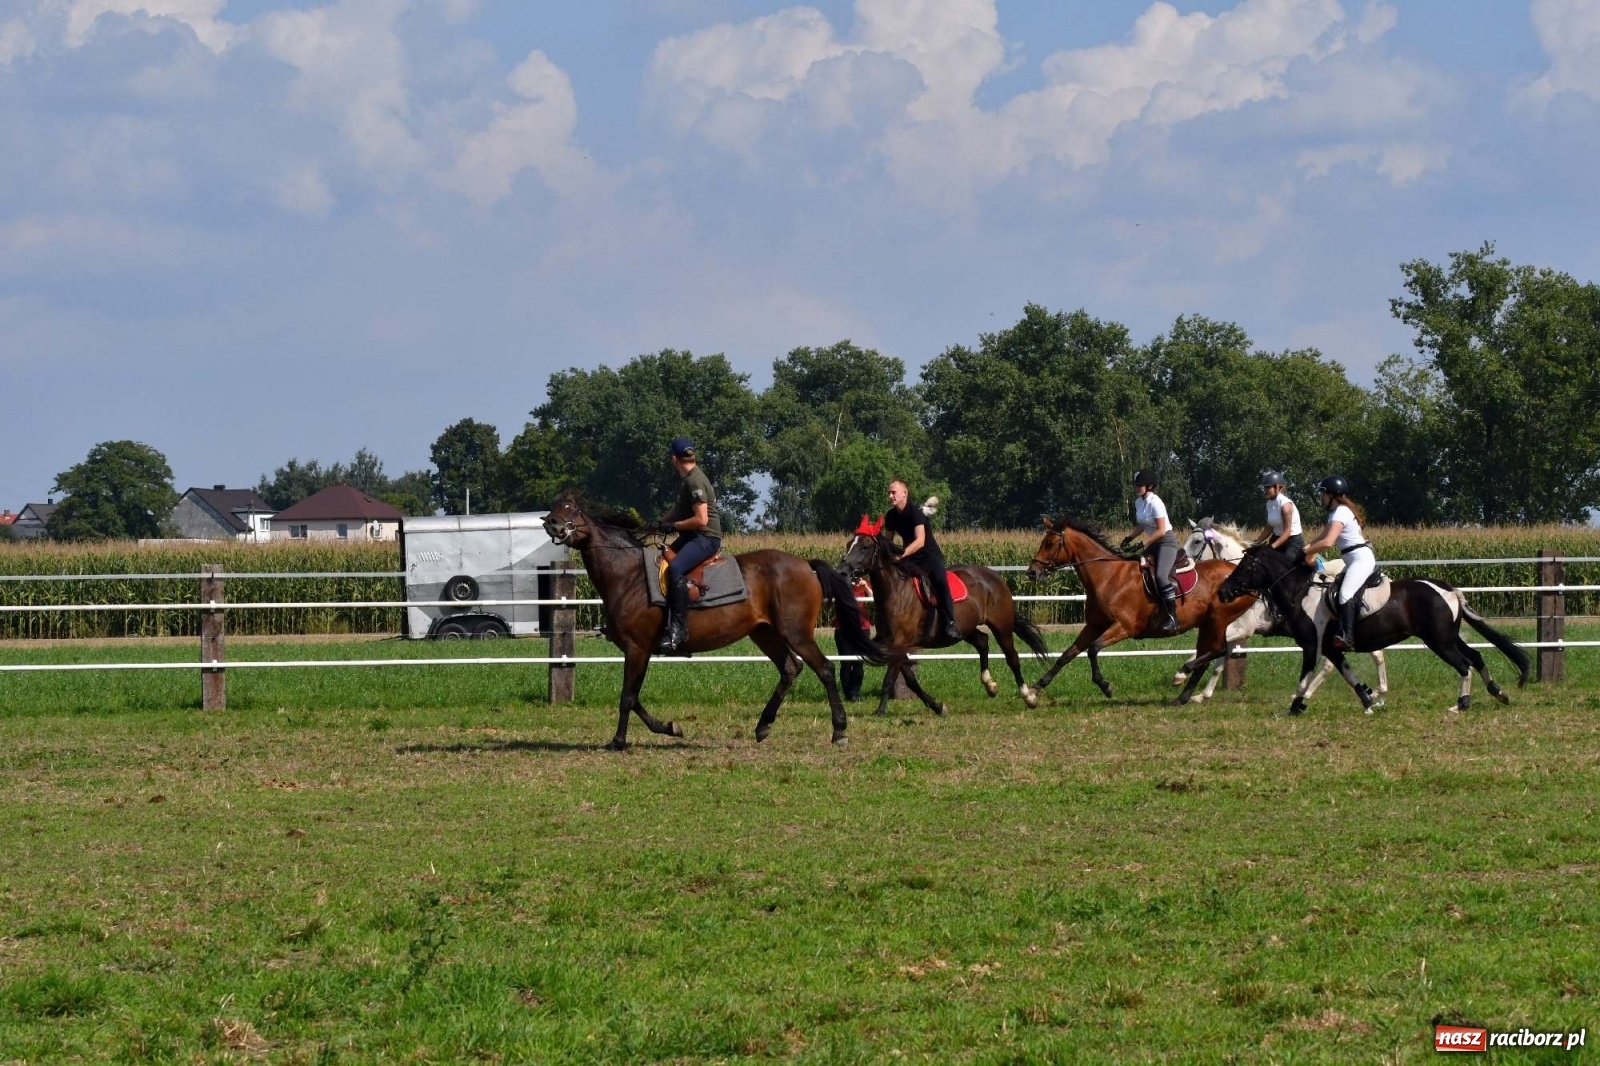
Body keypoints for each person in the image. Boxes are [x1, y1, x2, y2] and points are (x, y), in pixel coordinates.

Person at [653, 437, 721, 652]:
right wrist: (656, 525)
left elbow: (702, 520)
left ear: (674, 459)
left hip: (705, 537)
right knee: (659, 561)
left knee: (675, 568)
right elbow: (677, 509)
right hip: (693, 535)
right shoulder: (687, 479)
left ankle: (679, 629)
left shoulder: (694, 481)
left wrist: (673, 527)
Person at [1300, 474, 1373, 651]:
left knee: (1345, 594)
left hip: (1360, 560)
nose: (1321, 498)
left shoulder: (1341, 512)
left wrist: (1307, 551)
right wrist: (1303, 549)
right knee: (1333, 589)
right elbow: (1321, 536)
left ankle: (1348, 637)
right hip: (1352, 560)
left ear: (1331, 495)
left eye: (1323, 494)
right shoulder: (1335, 513)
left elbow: (1328, 542)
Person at [883, 478, 961, 643]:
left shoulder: (915, 512)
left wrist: (901, 554)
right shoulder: (890, 516)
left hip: (929, 557)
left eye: (894, 492)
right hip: (909, 559)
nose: (890, 496)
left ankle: (951, 622)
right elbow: (887, 541)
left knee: (940, 581)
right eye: (889, 493)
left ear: (905, 493)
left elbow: (920, 541)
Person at [1121, 469, 1179, 633]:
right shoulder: (1139, 502)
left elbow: (1161, 530)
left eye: (1140, 485)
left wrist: (1142, 544)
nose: (1137, 487)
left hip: (1166, 542)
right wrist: (1129, 538)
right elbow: (1142, 525)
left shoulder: (1156, 502)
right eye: (1136, 485)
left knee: (1161, 576)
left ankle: (1173, 617)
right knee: (1133, 567)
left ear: (1149, 486)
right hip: (1152, 542)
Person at [1258, 470, 1304, 560]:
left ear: (1278, 487)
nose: (1265, 490)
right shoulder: (1269, 503)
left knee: (1283, 566)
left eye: (1268, 488)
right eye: (1265, 488)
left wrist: (1271, 547)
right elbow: (1269, 527)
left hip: (1292, 542)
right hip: (1277, 538)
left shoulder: (1285, 506)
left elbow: (1287, 532)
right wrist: (1256, 542)